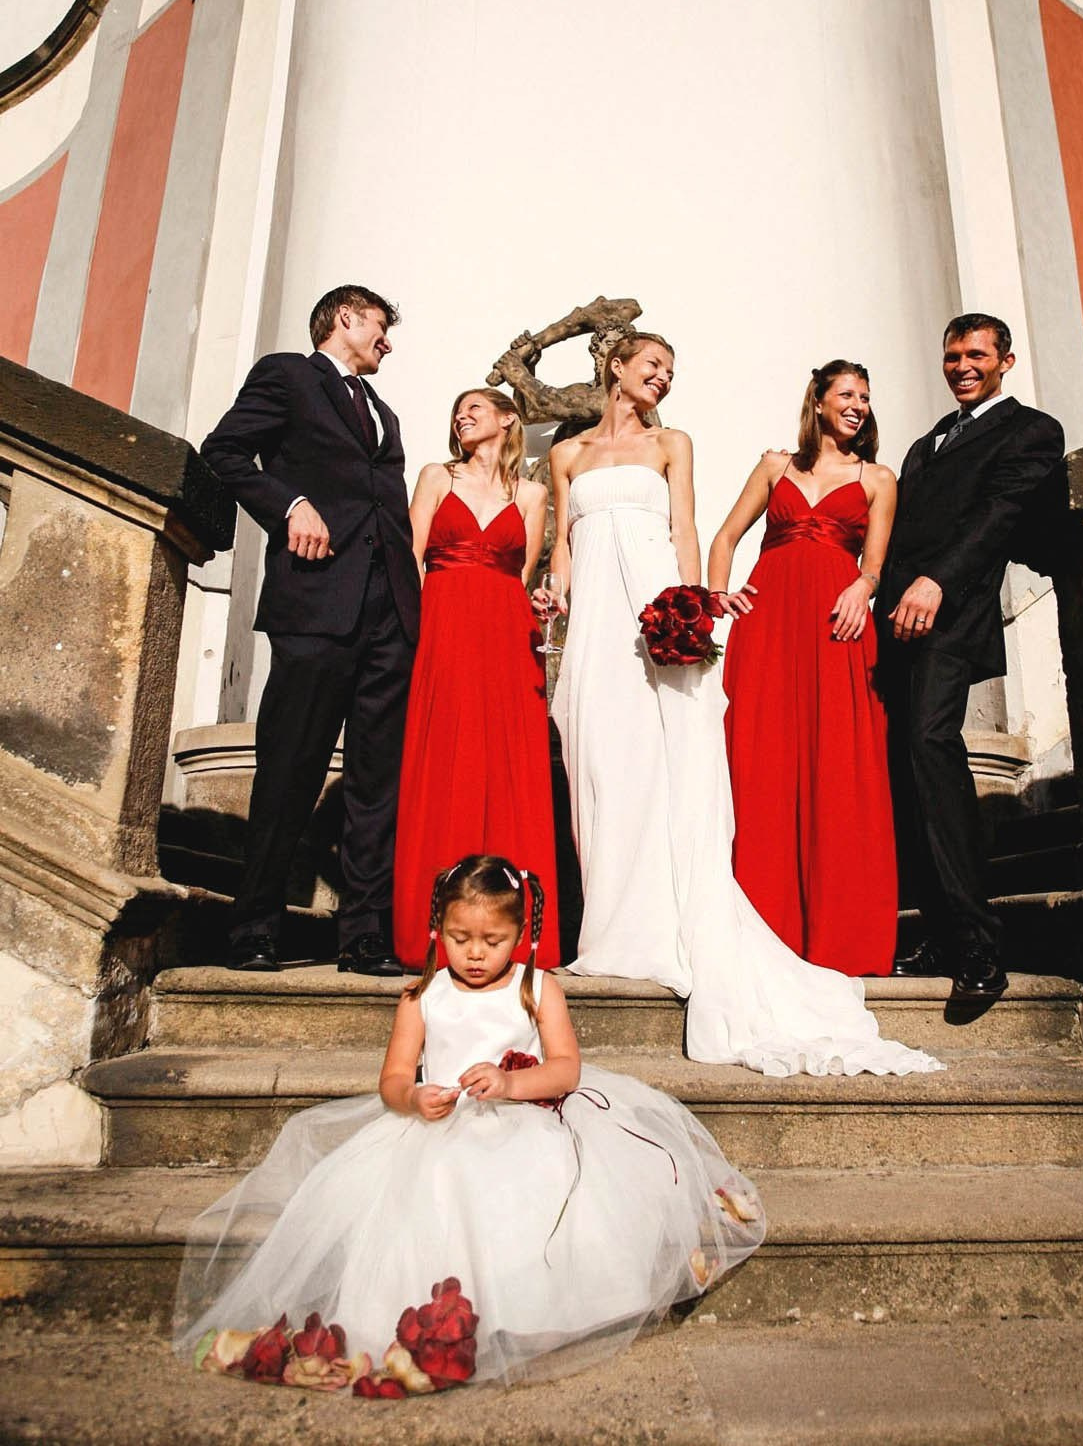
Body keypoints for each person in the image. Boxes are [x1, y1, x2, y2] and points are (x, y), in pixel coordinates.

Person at [174, 855, 764, 1392]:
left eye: (493, 940)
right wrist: (413, 1098)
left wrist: (511, 1083)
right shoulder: (421, 996)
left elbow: (565, 1071)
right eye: (460, 938)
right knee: (438, 1186)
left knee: (526, 1191)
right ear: (438, 931)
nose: (476, 953)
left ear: (519, 936)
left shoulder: (537, 989)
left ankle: (531, 1313)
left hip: (522, 1123)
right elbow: (393, 1079)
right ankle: (427, 1321)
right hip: (439, 1128)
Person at [542, 333, 939, 1078]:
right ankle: (635, 920)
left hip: (785, 611)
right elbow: (693, 538)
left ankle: (788, 924)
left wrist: (698, 609)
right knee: (641, 759)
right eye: (651, 365)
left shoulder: (689, 446)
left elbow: (695, 529)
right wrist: (709, 604)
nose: (662, 377)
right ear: (616, 367)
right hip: (664, 616)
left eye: (865, 397)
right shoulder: (584, 456)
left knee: (771, 762)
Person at [201, 285, 420, 976]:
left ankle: (362, 936)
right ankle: (255, 928)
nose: (387, 340)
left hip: (390, 615)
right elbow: (226, 452)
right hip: (317, 607)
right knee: (290, 769)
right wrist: (289, 503)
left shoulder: (382, 411)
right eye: (381, 325)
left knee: (376, 783)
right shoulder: (287, 376)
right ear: (347, 317)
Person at [877, 314, 1065, 1000]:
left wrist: (938, 582)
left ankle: (979, 946)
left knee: (931, 746)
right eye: (953, 354)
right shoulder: (926, 444)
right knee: (904, 768)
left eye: (976, 354)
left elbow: (998, 516)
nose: (962, 365)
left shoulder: (1030, 430)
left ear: (1005, 361)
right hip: (895, 621)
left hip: (952, 616)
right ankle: (936, 933)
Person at [708, 360, 899, 976]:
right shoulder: (774, 466)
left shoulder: (879, 480)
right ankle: (762, 925)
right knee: (762, 760)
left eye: (865, 398)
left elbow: (875, 565)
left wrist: (861, 588)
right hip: (768, 626)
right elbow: (725, 538)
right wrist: (719, 597)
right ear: (817, 402)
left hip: (835, 626)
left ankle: (841, 933)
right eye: (846, 394)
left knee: (839, 763)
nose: (858, 406)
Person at [392, 389, 560, 969]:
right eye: (456, 411)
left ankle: (510, 927)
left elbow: (523, 576)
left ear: (508, 418)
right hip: (442, 625)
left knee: (506, 759)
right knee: (443, 757)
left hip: (506, 634)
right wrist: (412, 636)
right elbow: (409, 558)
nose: (461, 416)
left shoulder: (533, 494)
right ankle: (433, 923)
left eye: (475, 409)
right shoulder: (437, 477)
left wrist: (544, 603)